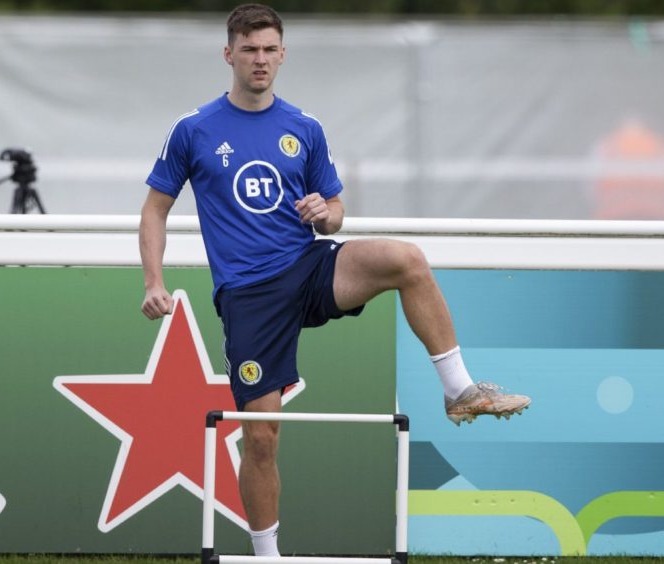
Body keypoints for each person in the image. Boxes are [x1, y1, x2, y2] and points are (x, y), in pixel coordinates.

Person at [139, 3, 530, 556]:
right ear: (228, 54)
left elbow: (337, 209)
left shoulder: (304, 127)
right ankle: (267, 555)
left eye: (270, 49)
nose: (260, 60)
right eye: (249, 49)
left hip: (309, 266)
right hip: (249, 295)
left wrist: (326, 214)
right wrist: (153, 281)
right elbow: (155, 209)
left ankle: (459, 390)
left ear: (283, 55)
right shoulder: (193, 129)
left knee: (407, 259)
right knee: (262, 437)